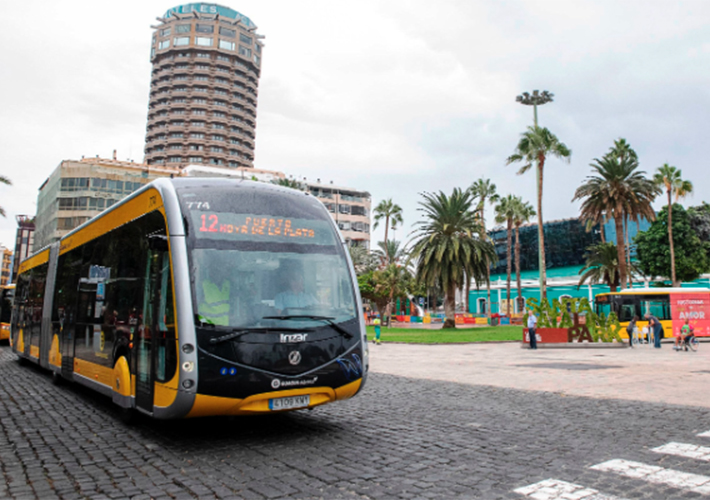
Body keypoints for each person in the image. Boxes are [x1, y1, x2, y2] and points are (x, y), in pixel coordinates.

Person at [198, 262, 231, 326]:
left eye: (220, 271)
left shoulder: (227, 284)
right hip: (207, 326)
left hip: (226, 327)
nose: (218, 274)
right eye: (215, 271)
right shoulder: (204, 285)